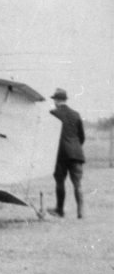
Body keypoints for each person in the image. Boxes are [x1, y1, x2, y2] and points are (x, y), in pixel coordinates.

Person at [48, 88, 86, 219]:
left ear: (57, 100)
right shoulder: (76, 114)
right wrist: (75, 147)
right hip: (76, 153)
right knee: (78, 184)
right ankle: (80, 212)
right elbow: (81, 136)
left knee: (60, 182)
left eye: (54, 100)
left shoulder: (53, 113)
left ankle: (60, 210)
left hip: (61, 154)